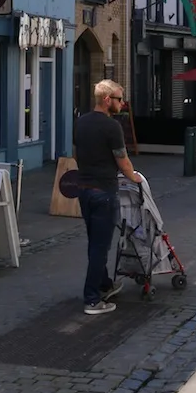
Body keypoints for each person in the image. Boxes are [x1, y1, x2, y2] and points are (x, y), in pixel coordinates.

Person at [73, 80, 140, 316]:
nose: (122, 103)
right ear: (106, 100)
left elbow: (77, 152)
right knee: (100, 247)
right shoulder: (112, 127)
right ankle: (92, 299)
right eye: (119, 99)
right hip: (104, 191)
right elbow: (122, 159)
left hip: (84, 190)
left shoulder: (81, 122)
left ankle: (104, 285)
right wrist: (135, 178)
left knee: (95, 242)